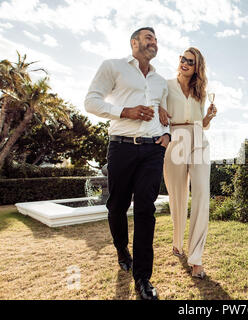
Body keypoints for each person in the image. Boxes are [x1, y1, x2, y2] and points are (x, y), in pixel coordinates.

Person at [84, 27, 171, 300]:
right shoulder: (113, 66)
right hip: (121, 146)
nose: (154, 42)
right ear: (134, 42)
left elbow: (163, 112)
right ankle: (122, 249)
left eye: (156, 39)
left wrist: (167, 135)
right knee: (117, 206)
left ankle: (143, 278)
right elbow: (91, 101)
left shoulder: (160, 81)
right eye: (148, 38)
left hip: (153, 151)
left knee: (146, 210)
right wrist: (126, 111)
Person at [161, 47, 217, 279]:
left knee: (202, 195)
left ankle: (196, 259)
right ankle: (177, 242)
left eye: (190, 61)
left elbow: (201, 123)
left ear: (197, 67)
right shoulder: (165, 85)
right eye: (183, 59)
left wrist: (208, 118)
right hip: (175, 139)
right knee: (177, 196)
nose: (184, 63)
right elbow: (160, 115)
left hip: (198, 139)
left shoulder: (200, 92)